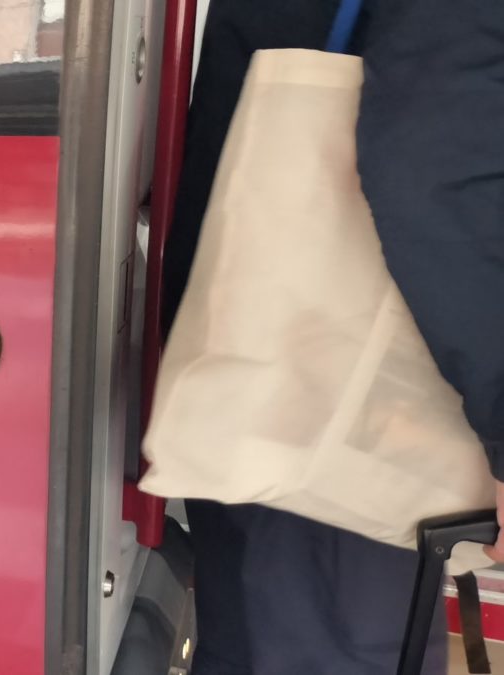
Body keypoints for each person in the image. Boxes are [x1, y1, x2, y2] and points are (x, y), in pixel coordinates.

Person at [159, 1, 504, 672]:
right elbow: (433, 168)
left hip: (279, 365)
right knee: (327, 643)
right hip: (348, 410)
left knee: (265, 631)